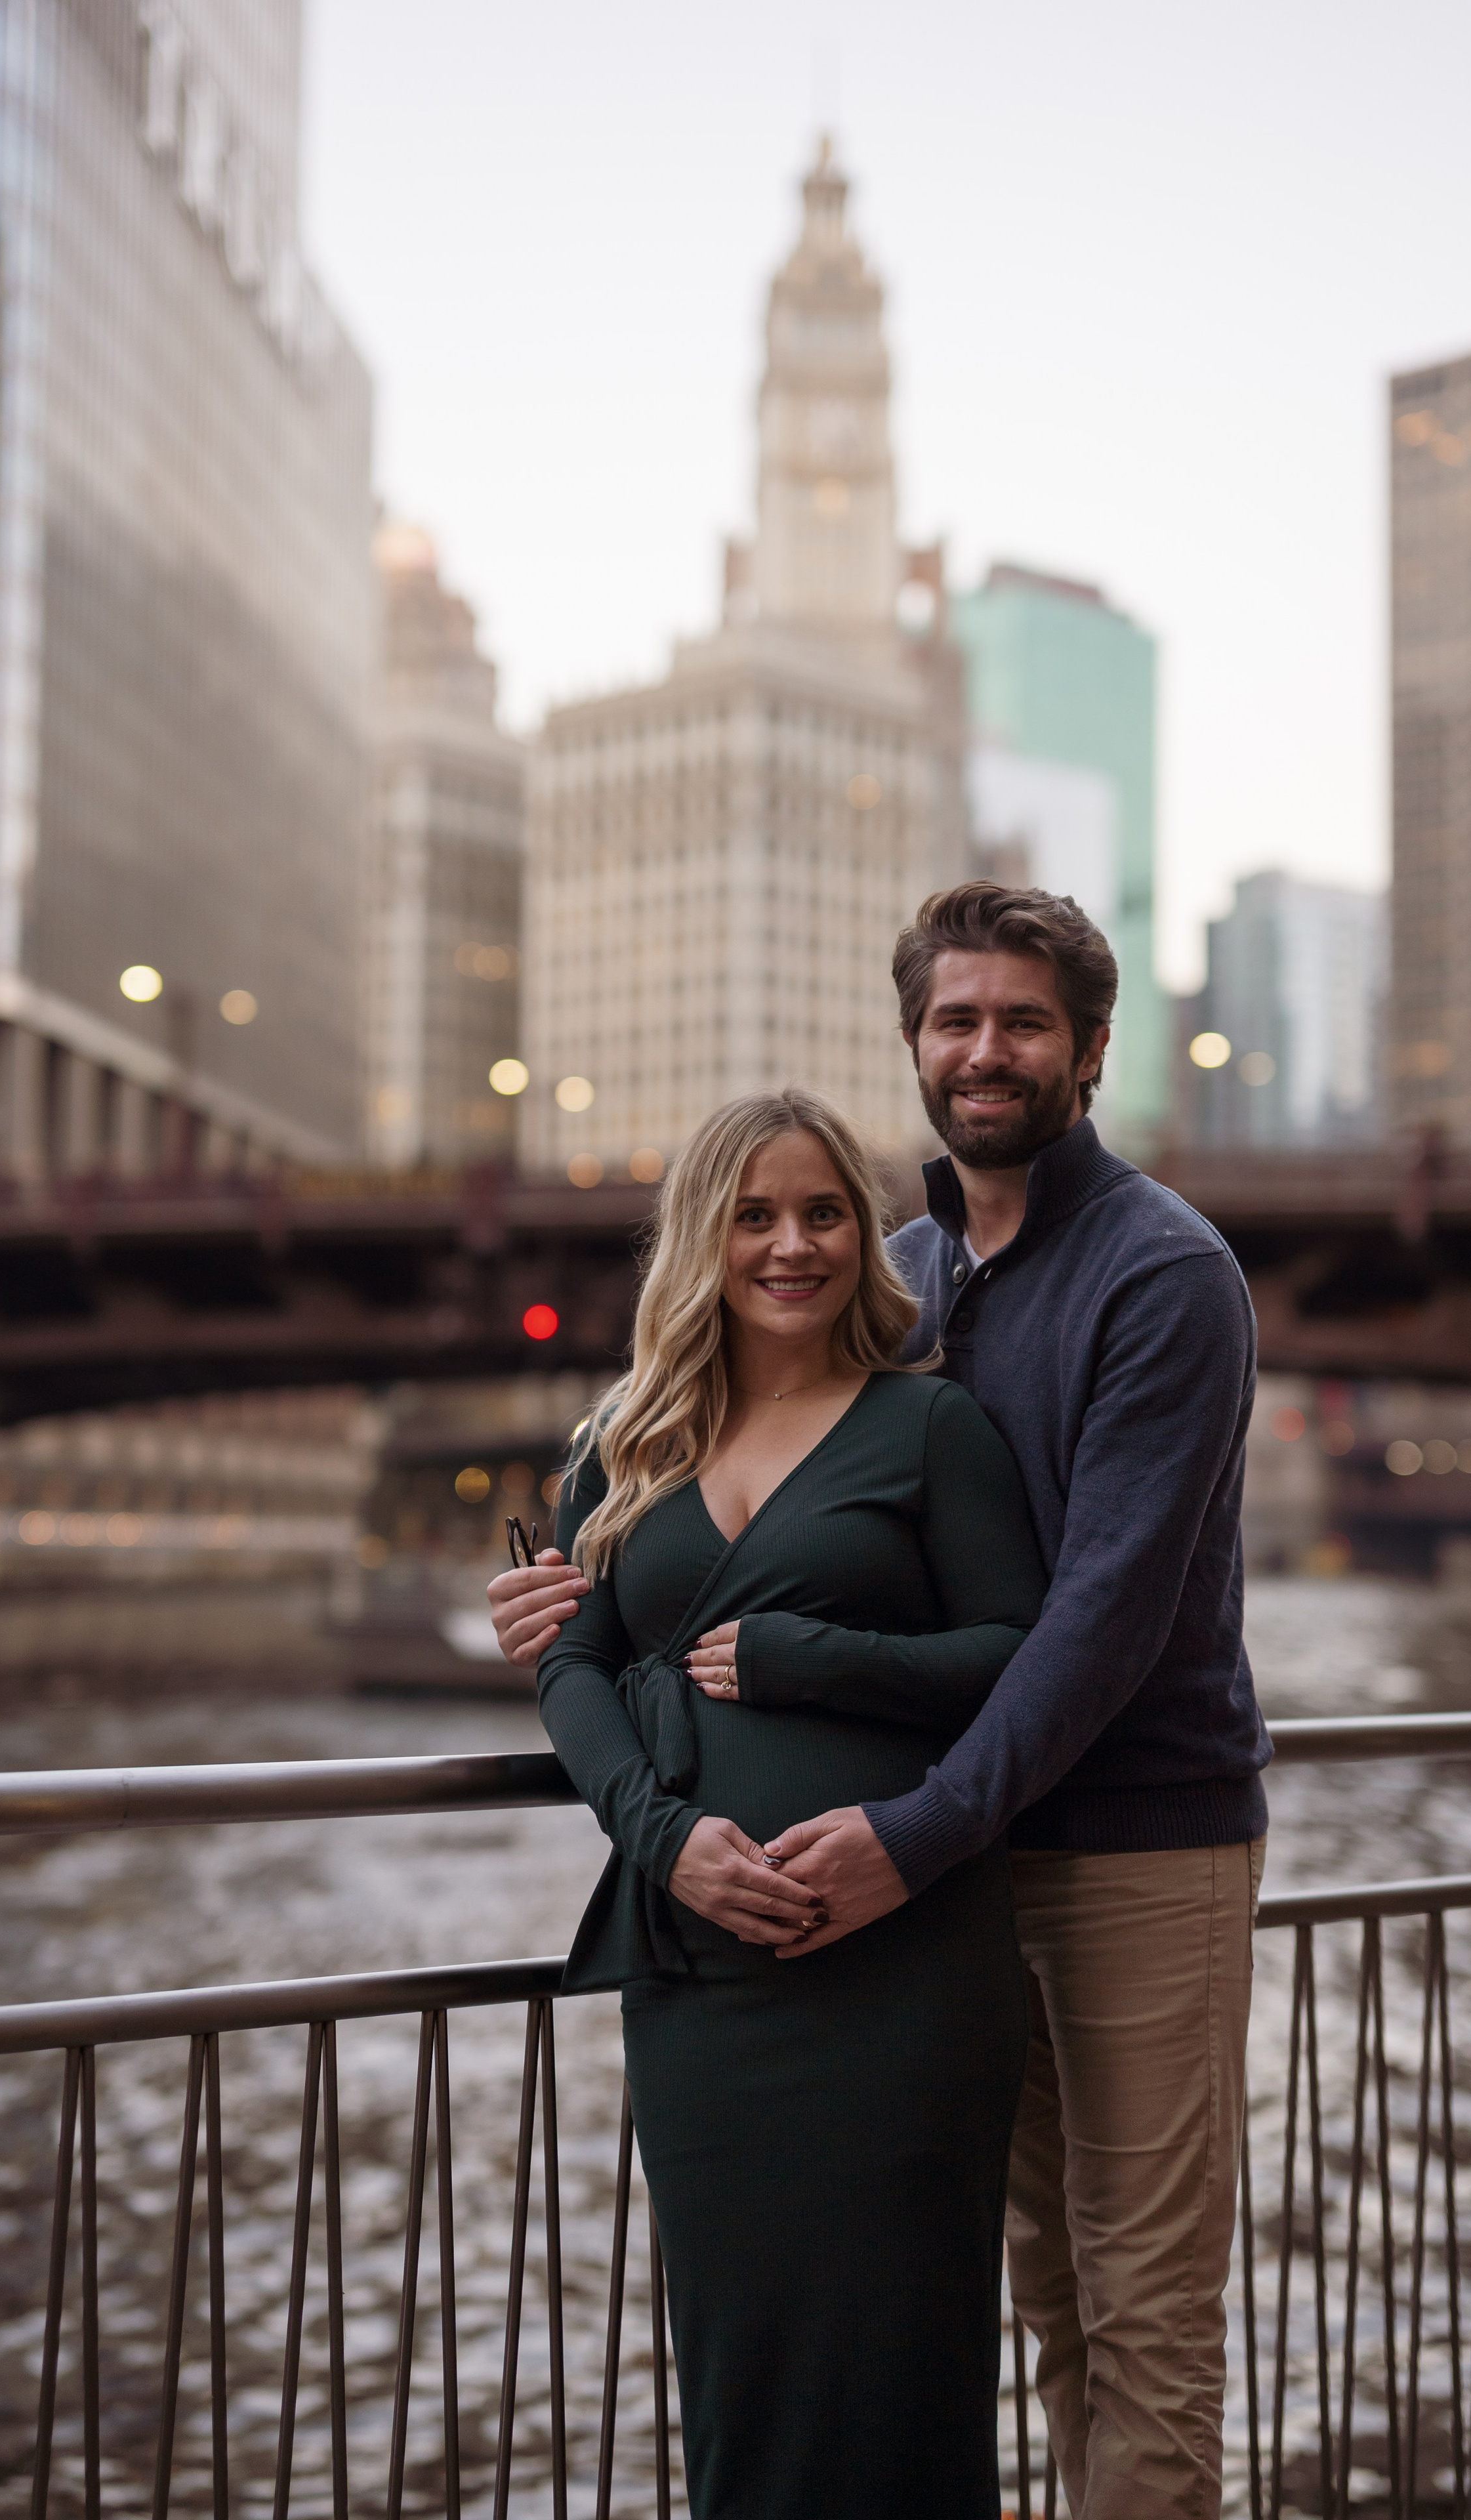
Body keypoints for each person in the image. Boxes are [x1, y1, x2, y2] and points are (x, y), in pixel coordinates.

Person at [492, 885, 1272, 2520]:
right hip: (940, 1886)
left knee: (1137, 2318)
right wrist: (576, 1616)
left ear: (1089, 1050)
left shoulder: (1163, 1273)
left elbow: (1095, 1618)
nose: (985, 1052)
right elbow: (680, 1574)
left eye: (1023, 1023)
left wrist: (907, 1824)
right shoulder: (897, 1277)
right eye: (955, 1020)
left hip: (1120, 1840)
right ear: (916, 1043)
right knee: (1035, 2299)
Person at [535, 1084, 1046, 2520]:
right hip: (699, 1977)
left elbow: (1015, 1660)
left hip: (904, 1971)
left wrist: (813, 1656)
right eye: (753, 1215)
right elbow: (572, 1669)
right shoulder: (617, 1446)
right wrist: (667, 1839)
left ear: (860, 1236)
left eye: (823, 1212)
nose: (791, 1245)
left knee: (908, 2358)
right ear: (701, 1236)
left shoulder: (927, 1427)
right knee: (741, 2357)